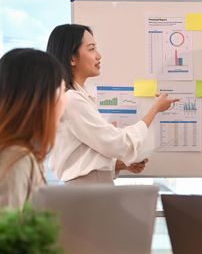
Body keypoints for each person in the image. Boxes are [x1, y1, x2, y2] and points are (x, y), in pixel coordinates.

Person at [47, 24, 178, 185]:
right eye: (91, 49)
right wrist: (155, 109)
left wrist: (120, 164)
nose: (99, 55)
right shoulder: (73, 100)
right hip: (87, 190)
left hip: (90, 188)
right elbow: (122, 144)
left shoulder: (77, 97)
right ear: (72, 58)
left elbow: (83, 156)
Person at [0, 48, 66, 208]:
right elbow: (8, 231)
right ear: (44, 99)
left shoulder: (17, 154)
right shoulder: (16, 160)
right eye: (63, 91)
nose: (65, 100)